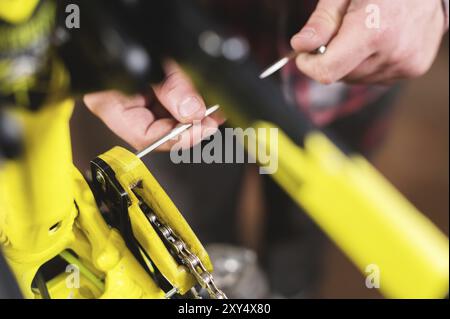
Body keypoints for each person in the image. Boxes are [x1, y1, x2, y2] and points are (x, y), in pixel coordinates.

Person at [82, 0, 449, 297]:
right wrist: (88, 26)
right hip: (171, 65)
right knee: (190, 241)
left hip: (347, 85)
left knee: (304, 235)